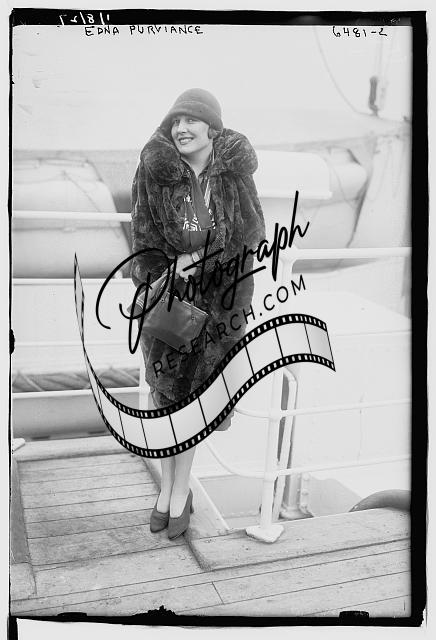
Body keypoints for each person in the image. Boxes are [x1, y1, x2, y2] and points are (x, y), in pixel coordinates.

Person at [131, 88, 265, 538]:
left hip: (220, 303)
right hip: (170, 301)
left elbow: (252, 234)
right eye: (176, 121)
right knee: (169, 398)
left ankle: (176, 490)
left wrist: (217, 273)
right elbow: (142, 239)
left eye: (191, 120)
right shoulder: (155, 171)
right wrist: (170, 271)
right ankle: (172, 489)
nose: (181, 128)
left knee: (195, 399)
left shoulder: (232, 172)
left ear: (212, 127)